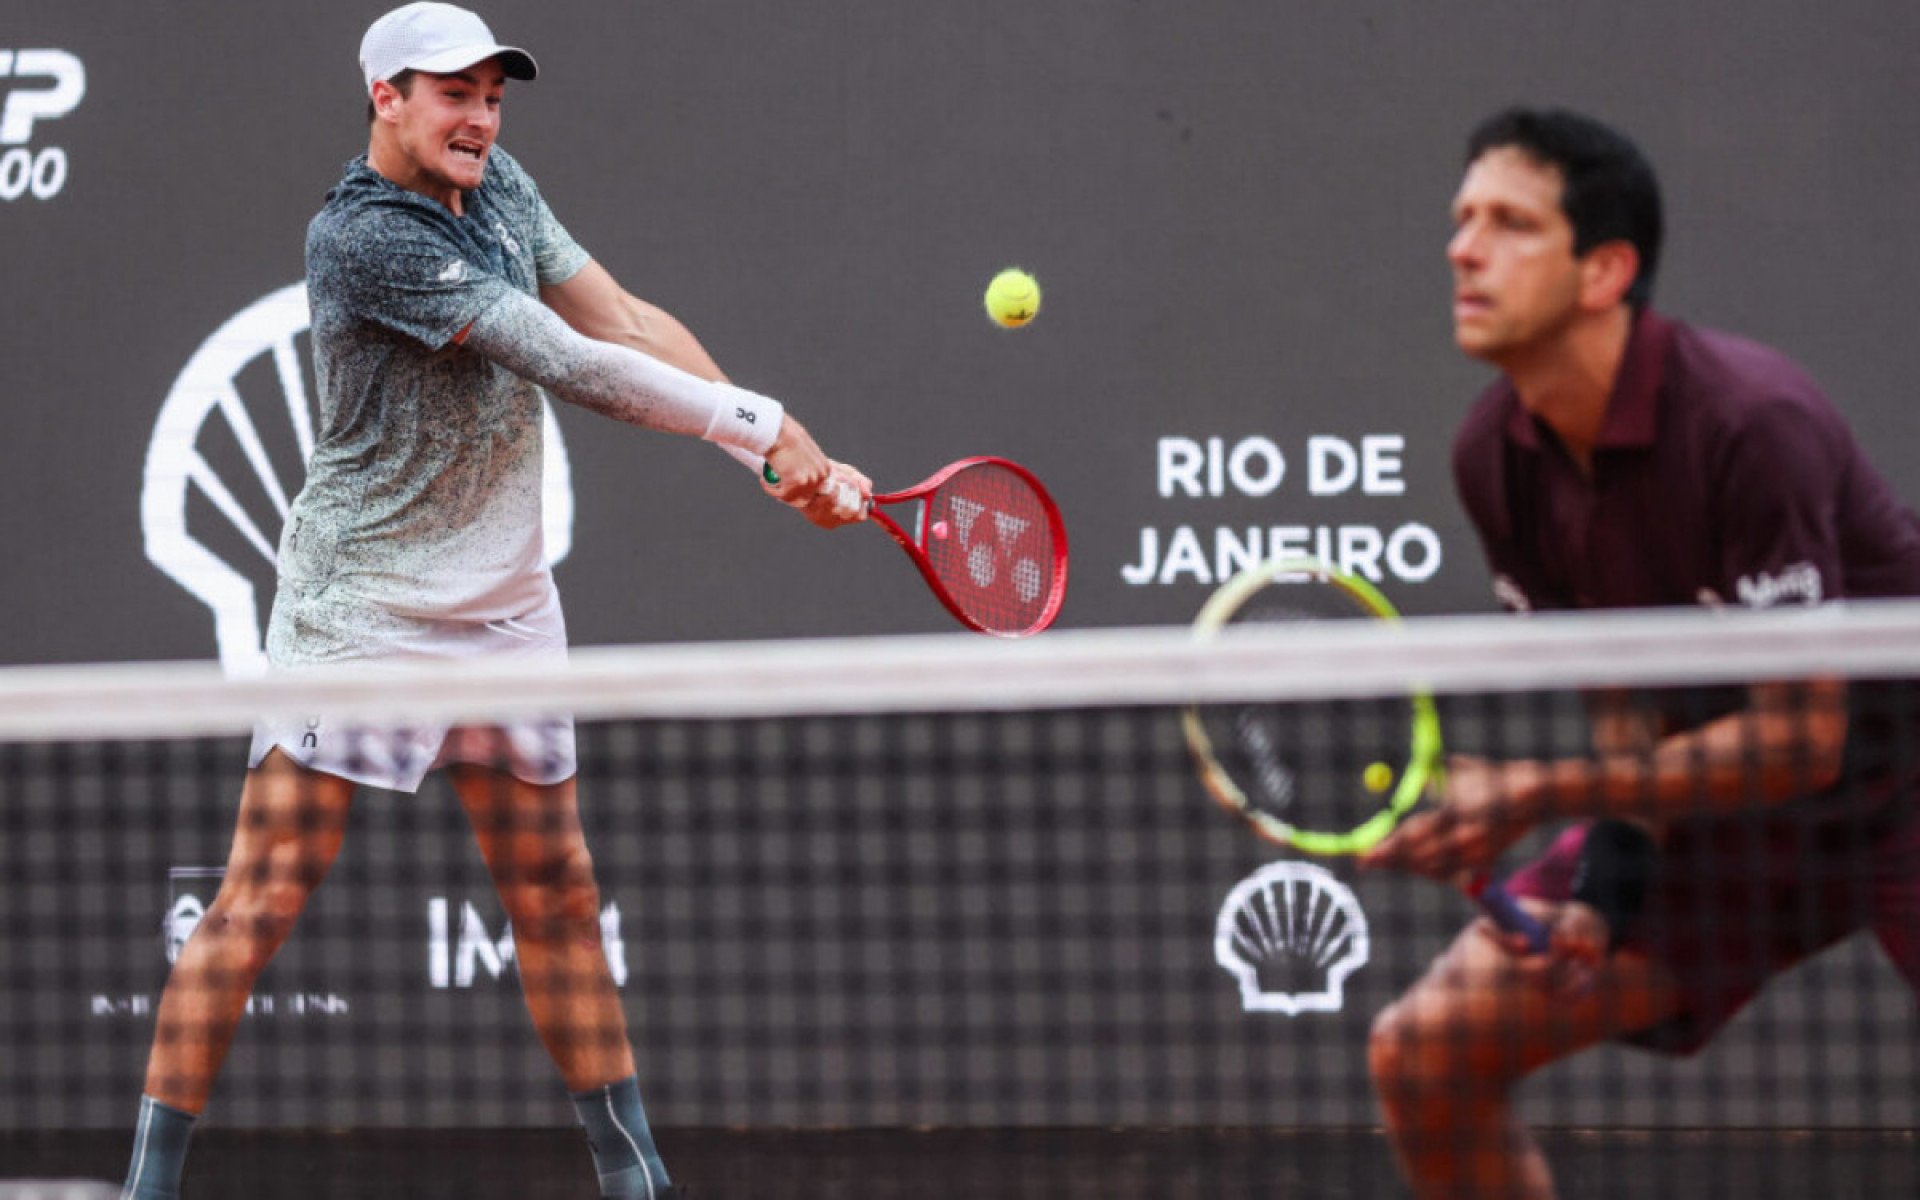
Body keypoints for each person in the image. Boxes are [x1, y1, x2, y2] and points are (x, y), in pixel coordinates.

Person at [120, 5, 870, 1198]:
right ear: (387, 99)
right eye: (453, 94)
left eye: (493, 96)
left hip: (508, 606)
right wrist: (765, 426)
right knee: (259, 898)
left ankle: (638, 1184)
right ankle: (147, 1188)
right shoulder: (362, 236)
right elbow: (562, 359)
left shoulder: (502, 184)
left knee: (560, 893)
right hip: (362, 613)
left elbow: (617, 320)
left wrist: (772, 461)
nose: (479, 118)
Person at [1361, 106, 1920, 1199]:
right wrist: (1605, 895)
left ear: (1605, 269)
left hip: (1906, 784)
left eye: (1510, 223)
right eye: (1461, 218)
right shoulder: (1496, 456)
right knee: (1425, 1055)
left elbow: (1806, 739)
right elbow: (1627, 708)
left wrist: (1538, 790)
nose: (1462, 248)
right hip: (1731, 824)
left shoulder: (1750, 426)